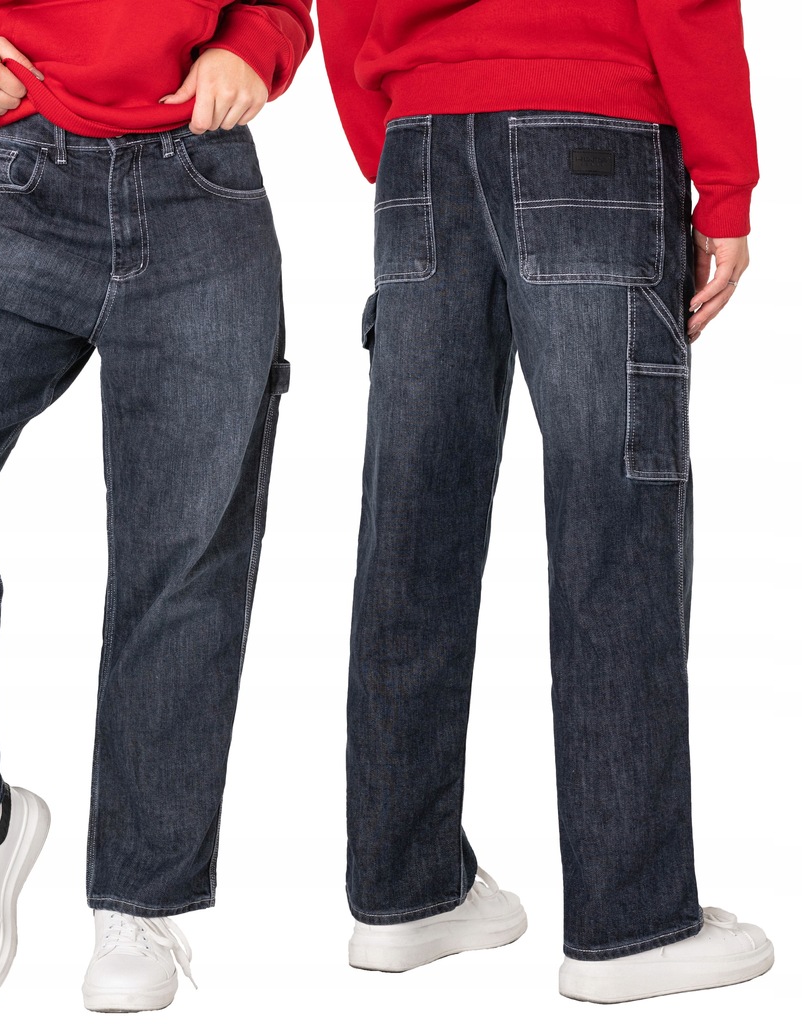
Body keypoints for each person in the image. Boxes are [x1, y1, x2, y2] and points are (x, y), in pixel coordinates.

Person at [0, 0, 312, 1014]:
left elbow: (279, 9)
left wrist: (250, 48)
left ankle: (139, 897)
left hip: (200, 182)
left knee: (186, 552)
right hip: (21, 182)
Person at [317, 0, 772, 1004]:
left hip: (422, 144)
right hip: (591, 126)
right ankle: (629, 924)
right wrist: (727, 186)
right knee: (614, 520)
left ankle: (405, 895)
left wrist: (403, 140)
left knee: (411, 523)